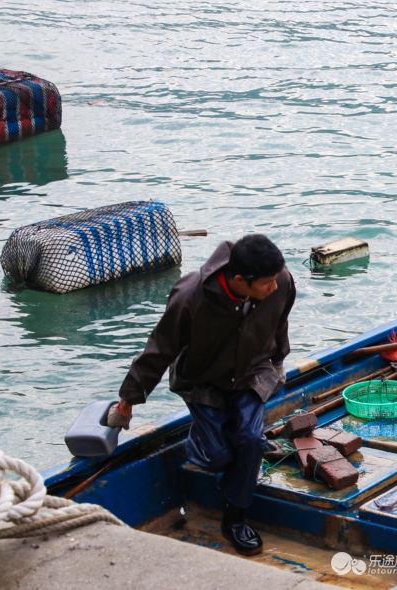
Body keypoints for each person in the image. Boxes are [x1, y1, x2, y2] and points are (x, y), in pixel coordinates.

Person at [106, 234, 296, 555]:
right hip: (203, 378)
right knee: (218, 456)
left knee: (249, 440)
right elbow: (159, 350)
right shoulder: (190, 296)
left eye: (276, 279)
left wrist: (278, 361)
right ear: (240, 280)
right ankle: (206, 443)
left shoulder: (280, 281)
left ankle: (234, 519)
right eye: (266, 283)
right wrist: (127, 403)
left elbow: (280, 322)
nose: (274, 287)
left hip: (253, 372)